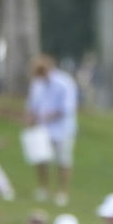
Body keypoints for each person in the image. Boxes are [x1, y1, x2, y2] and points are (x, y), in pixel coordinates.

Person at [25, 55, 79, 206]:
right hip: (42, 129)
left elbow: (67, 108)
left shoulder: (64, 83)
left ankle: (62, 192)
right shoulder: (37, 84)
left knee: (63, 161)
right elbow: (32, 105)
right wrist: (30, 118)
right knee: (41, 159)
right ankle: (43, 189)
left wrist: (47, 116)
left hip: (63, 129)